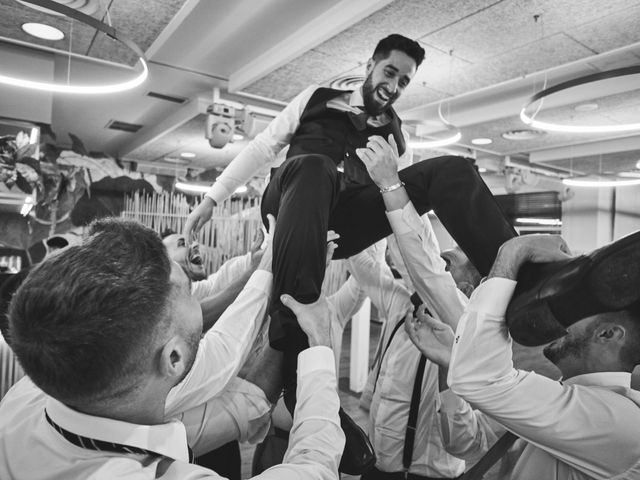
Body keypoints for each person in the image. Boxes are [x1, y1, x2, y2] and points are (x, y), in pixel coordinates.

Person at [185, 33, 516, 474]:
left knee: (453, 169)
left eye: (404, 80)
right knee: (314, 165)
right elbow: (264, 146)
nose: (394, 85)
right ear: (370, 65)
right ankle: (299, 367)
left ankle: (518, 274)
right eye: (389, 72)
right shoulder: (317, 98)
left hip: (344, 220)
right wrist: (212, 199)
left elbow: (400, 209)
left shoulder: (398, 135)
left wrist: (417, 263)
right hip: (290, 198)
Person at [0, 217, 345, 480]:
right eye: (187, 292)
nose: (199, 294)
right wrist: (320, 345)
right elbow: (314, 468)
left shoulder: (30, 390)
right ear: (174, 359)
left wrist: (271, 269)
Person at [407, 234, 640, 479]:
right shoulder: (562, 396)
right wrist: (450, 362)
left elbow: (480, 380)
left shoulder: (617, 421)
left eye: (576, 311)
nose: (560, 319)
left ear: (607, 333)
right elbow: (466, 442)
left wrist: (514, 251)